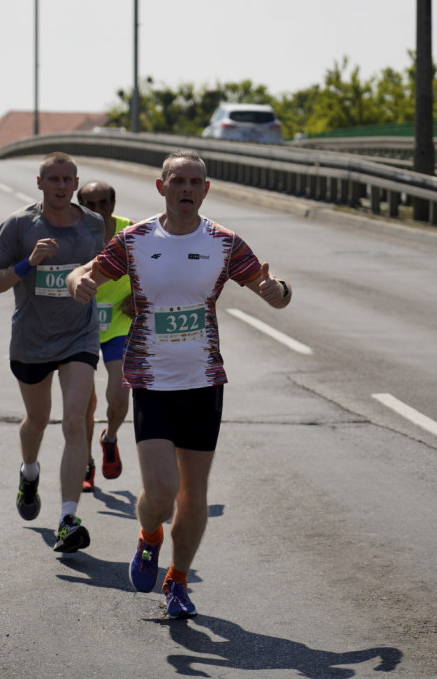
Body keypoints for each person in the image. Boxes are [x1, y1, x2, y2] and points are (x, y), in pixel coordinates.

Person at [67, 150, 292, 618]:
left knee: (194, 493)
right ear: (161, 187)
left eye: (195, 182)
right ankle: (149, 538)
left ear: (205, 190)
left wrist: (279, 292)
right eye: (178, 181)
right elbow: (82, 272)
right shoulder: (135, 240)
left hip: (204, 380)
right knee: (162, 492)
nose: (187, 189)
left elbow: (276, 290)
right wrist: (77, 284)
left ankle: (178, 580)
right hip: (151, 379)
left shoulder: (225, 243)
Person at [0, 152, 106, 553]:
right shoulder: (19, 225)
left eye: (67, 179)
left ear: (75, 184)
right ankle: (29, 472)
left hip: (79, 337)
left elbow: (100, 270)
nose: (60, 185)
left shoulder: (92, 225)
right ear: (40, 184)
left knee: (75, 421)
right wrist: (27, 264)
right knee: (37, 420)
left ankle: (68, 518)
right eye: (52, 179)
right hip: (32, 341)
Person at [76, 180, 131, 493]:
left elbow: (155, 270)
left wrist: (140, 296)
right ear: (80, 206)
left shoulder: (131, 232)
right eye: (90, 205)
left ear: (113, 203)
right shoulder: (71, 234)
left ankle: (109, 438)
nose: (98, 210)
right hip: (81, 324)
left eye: (103, 203)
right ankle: (85, 462)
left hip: (119, 323)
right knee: (84, 400)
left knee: (119, 393)